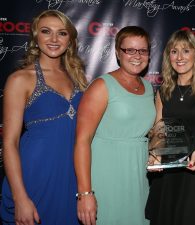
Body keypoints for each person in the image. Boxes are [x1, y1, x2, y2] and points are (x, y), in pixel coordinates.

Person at [0, 9, 87, 225]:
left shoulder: (79, 79)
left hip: (71, 179)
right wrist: (20, 197)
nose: (54, 39)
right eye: (46, 31)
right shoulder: (20, 79)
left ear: (70, 40)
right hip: (35, 177)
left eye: (62, 33)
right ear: (35, 37)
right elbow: (10, 143)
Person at [74, 26, 155, 225]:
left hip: (138, 177)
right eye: (130, 50)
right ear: (118, 52)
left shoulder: (148, 87)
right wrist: (85, 193)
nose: (137, 56)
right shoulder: (101, 86)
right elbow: (82, 141)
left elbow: (146, 132)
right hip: (107, 177)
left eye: (142, 50)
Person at [145, 30, 195, 225]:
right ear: (168, 57)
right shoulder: (163, 92)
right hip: (168, 175)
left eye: (186, 51)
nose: (179, 57)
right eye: (174, 51)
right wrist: (155, 157)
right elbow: (159, 129)